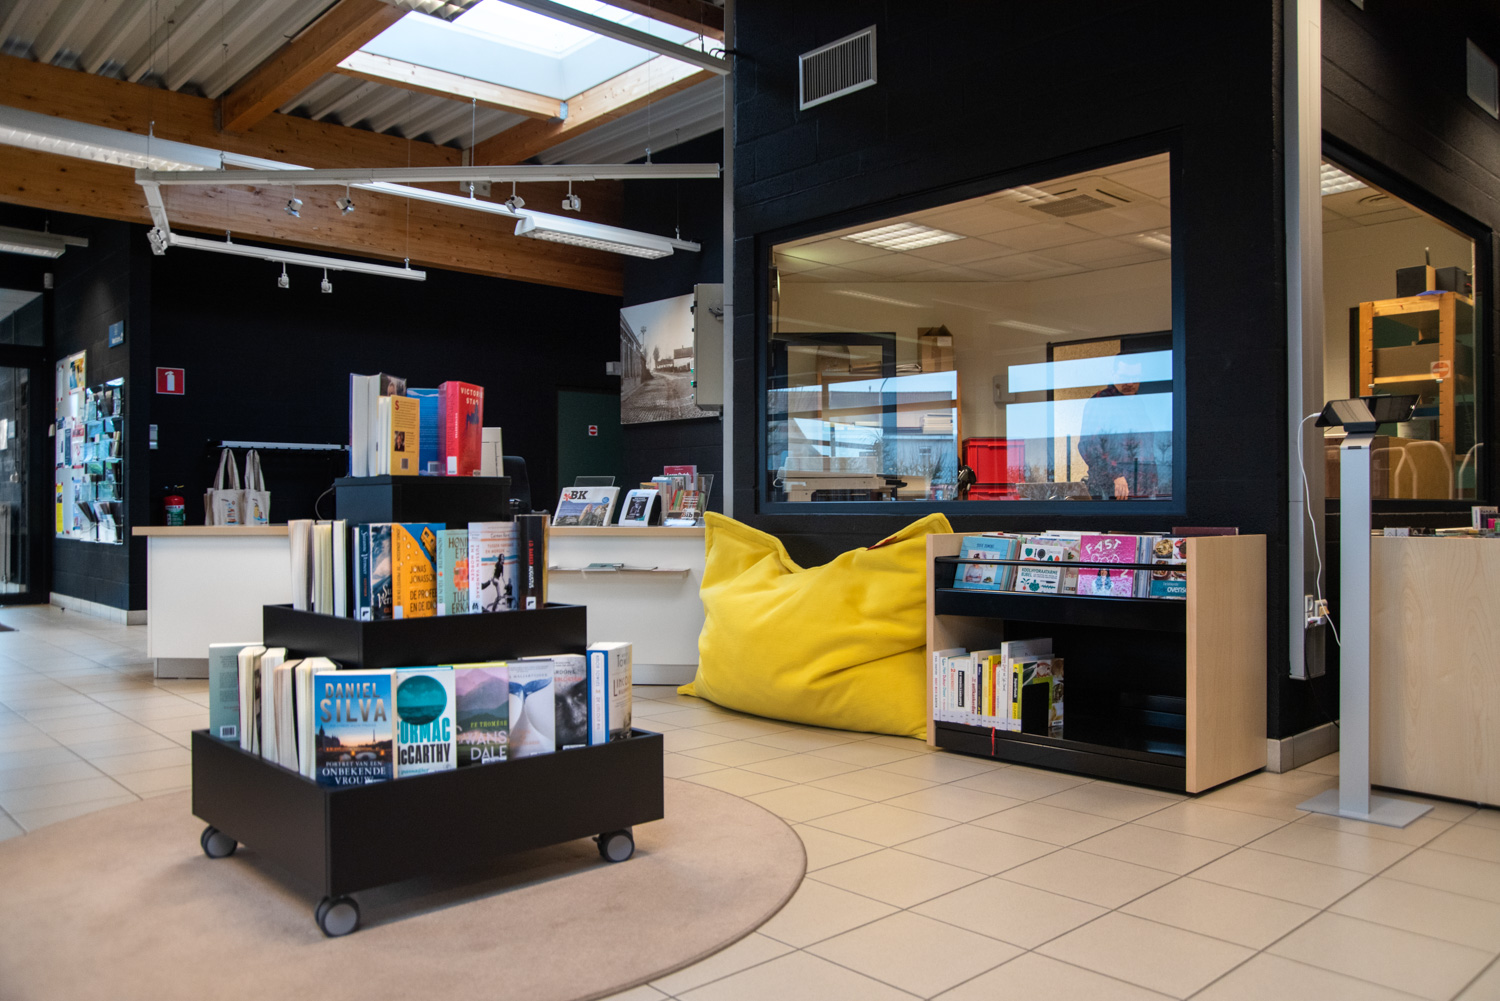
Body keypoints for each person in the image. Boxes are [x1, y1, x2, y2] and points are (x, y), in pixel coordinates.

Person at [1077, 356, 1169, 499]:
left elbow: (1146, 449)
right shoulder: (1102, 402)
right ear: (1113, 375)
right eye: (1125, 377)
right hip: (1112, 492)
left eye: (1135, 378)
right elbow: (1088, 446)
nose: (1130, 383)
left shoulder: (1139, 404)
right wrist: (1116, 476)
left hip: (1140, 492)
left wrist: (1152, 485)